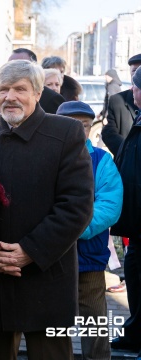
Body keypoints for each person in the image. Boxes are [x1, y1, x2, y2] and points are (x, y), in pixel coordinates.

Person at [0, 59, 93, 359]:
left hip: (47, 276)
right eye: (3, 89)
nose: (10, 97)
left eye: (20, 89)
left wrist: (30, 251)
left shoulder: (67, 133)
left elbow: (76, 205)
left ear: (37, 93)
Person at [56, 101, 123, 360]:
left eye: (84, 126)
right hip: (50, 257)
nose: (78, 131)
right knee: (54, 325)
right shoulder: (44, 156)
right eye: (71, 126)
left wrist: (71, 229)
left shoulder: (101, 160)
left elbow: (110, 205)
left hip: (89, 257)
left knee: (94, 322)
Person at [110, 66, 141, 358]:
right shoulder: (139, 116)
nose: (132, 92)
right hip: (135, 221)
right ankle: (134, 333)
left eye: (136, 87)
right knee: (134, 274)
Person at [102, 54, 141, 155]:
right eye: (134, 70)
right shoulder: (118, 100)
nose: (137, 74)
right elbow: (109, 133)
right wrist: (128, 152)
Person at [10, 48, 65, 113]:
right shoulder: (6, 93)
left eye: (20, 65)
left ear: (33, 66)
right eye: (9, 65)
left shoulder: (52, 98)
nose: (12, 69)